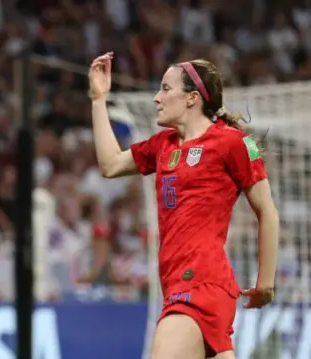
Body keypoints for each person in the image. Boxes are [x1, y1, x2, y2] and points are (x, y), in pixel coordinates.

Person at [88, 52, 279, 359]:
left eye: (165, 88)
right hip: (175, 283)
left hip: (201, 283)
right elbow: (110, 165)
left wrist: (266, 283)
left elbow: (267, 211)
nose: (156, 97)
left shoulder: (236, 143)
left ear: (192, 98)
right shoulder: (162, 144)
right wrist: (98, 99)